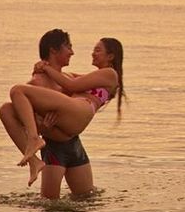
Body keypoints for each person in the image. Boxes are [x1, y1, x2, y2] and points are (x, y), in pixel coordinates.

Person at [10, 38, 125, 191]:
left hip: (81, 109)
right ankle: (34, 158)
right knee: (6, 109)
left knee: (17, 90)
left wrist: (46, 68)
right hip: (70, 131)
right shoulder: (92, 77)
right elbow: (68, 78)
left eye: (98, 50)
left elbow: (71, 84)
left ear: (110, 56)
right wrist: (44, 68)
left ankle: (33, 140)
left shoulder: (110, 74)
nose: (93, 53)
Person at [0, 29, 82, 192]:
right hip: (54, 149)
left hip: (75, 145)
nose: (72, 52)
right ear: (53, 50)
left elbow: (100, 80)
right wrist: (41, 128)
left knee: (86, 199)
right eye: (68, 47)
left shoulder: (69, 78)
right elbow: (19, 118)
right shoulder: (36, 83)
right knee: (50, 208)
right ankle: (35, 161)